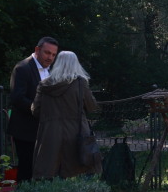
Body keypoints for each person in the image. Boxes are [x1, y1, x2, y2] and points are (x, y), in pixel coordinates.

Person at [31, 50, 100, 180]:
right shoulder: (80, 83)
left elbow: (35, 110)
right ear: (76, 64)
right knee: (82, 168)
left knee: (50, 173)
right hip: (77, 132)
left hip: (50, 134)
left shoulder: (44, 85)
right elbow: (91, 106)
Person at [8, 37, 59, 182]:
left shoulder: (51, 70)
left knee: (47, 171)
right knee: (27, 171)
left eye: (53, 55)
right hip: (26, 131)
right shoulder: (22, 68)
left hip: (46, 130)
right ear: (37, 50)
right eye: (47, 53)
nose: (50, 57)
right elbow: (17, 99)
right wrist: (41, 109)